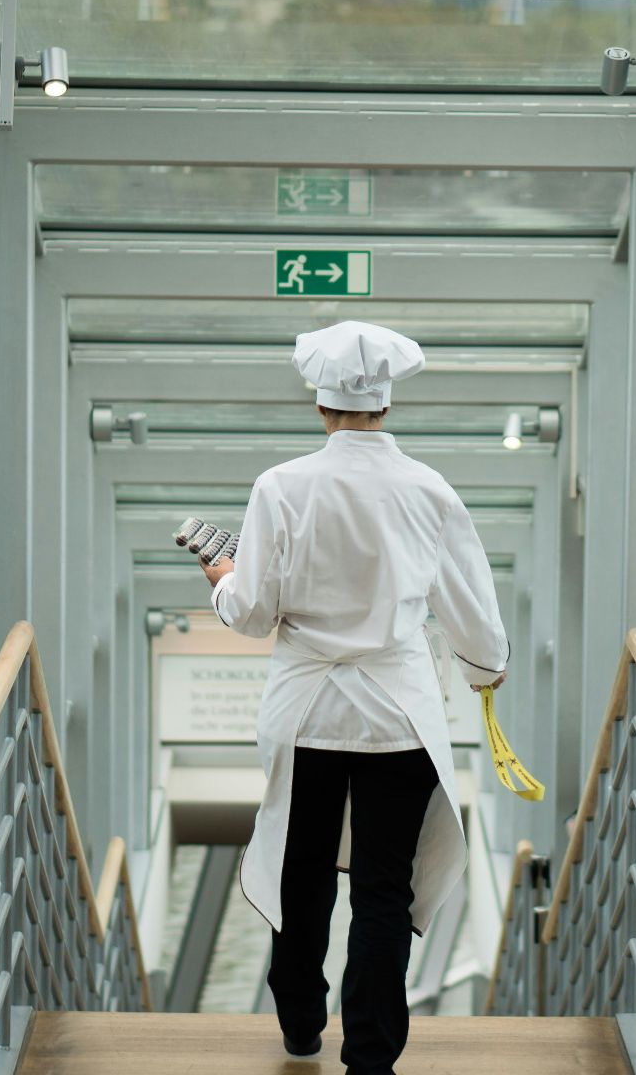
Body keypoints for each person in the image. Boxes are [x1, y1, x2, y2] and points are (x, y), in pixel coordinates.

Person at [202, 320, 510, 1075]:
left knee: (300, 872)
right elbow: (475, 617)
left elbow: (253, 613)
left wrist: (220, 584)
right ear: (386, 404)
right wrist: (484, 671)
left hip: (307, 712)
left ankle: (302, 1025)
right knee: (383, 889)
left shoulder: (281, 487)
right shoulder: (428, 490)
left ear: (320, 404)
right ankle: (371, 1056)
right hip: (400, 715)